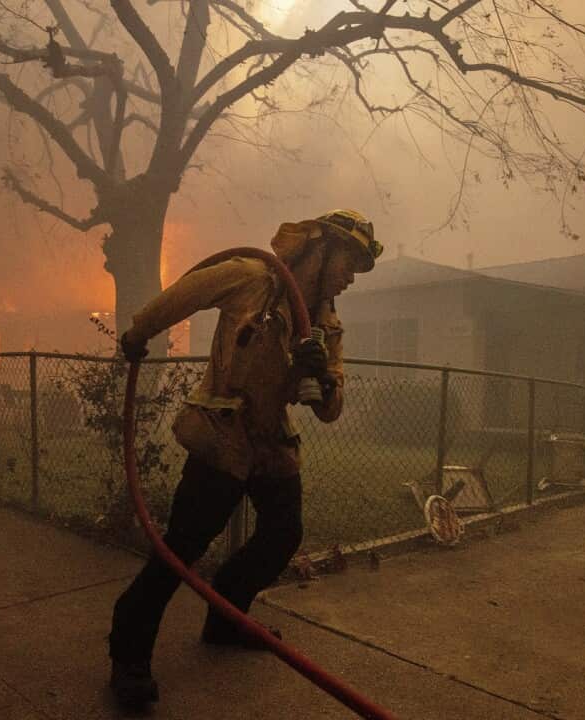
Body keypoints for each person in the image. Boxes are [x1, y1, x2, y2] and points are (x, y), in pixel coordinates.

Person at [108, 209, 382, 710]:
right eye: (349, 262)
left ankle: (226, 618)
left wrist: (322, 379)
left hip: (271, 440)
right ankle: (128, 650)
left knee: (284, 532)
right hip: (223, 432)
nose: (350, 277)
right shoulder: (252, 277)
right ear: (319, 248)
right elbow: (184, 294)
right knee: (184, 546)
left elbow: (330, 411)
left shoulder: (327, 326)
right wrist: (138, 333)